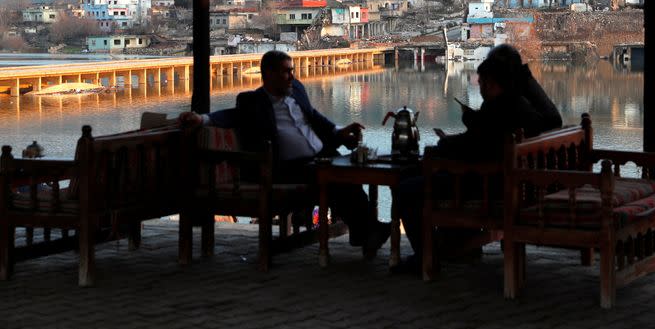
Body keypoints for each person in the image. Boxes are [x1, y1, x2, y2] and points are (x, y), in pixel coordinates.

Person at [180, 50, 390, 256]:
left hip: (322, 156)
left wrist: (338, 132)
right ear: (269, 75)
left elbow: (314, 117)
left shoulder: (297, 89)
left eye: (292, 71)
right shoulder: (253, 102)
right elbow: (231, 116)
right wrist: (202, 119)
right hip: (289, 167)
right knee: (338, 180)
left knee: (351, 173)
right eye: (286, 72)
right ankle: (367, 232)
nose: (292, 76)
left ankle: (364, 233)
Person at [395, 44, 562, 273]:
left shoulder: (498, 108)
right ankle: (456, 246)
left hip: (487, 185)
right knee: (416, 175)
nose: (480, 87)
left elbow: (475, 146)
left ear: (492, 83)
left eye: (481, 83)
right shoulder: (519, 104)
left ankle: (426, 255)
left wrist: (443, 145)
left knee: (407, 188)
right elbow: (483, 139)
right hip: (512, 182)